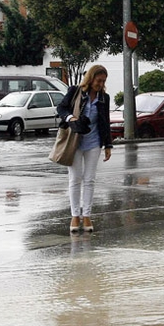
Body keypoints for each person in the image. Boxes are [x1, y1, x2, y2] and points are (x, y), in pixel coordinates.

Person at [57, 65, 113, 233]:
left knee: (89, 179)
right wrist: (71, 118)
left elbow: (106, 121)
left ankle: (86, 215)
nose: (100, 84)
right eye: (98, 80)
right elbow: (61, 108)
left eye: (103, 81)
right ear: (91, 78)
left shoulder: (104, 97)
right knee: (75, 179)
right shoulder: (75, 91)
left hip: (94, 142)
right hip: (74, 141)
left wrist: (108, 145)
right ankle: (75, 216)